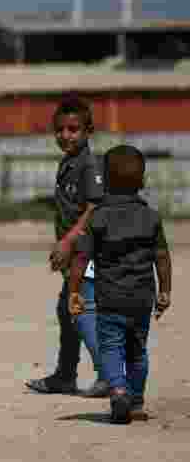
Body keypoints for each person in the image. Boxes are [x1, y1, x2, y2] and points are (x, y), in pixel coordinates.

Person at [68, 145, 172, 424]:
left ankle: (117, 390)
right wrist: (165, 291)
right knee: (137, 350)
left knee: (112, 346)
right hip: (141, 299)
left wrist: (75, 292)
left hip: (110, 299)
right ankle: (135, 402)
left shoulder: (99, 217)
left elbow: (81, 257)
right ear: (142, 182)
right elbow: (162, 257)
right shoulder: (151, 217)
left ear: (106, 182)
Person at [25, 97, 107, 397]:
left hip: (87, 252)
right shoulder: (68, 163)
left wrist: (68, 241)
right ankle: (65, 375)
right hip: (73, 251)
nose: (66, 135)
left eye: (73, 129)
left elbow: (94, 207)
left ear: (88, 131)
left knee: (80, 310)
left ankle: (110, 375)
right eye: (60, 129)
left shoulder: (90, 164)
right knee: (67, 310)